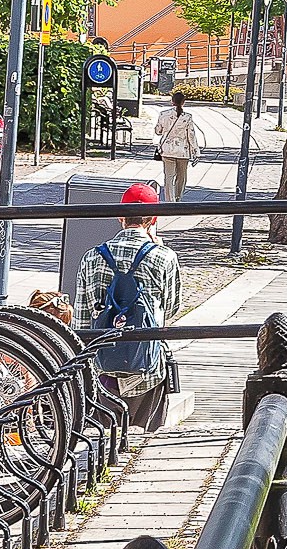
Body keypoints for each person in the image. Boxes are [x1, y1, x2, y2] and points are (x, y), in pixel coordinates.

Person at [81, 182, 184, 429]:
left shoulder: (93, 256)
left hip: (104, 366)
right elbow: (171, 308)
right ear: (154, 219)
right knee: (145, 438)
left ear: (120, 216)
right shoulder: (164, 257)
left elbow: (82, 319)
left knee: (102, 439)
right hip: (147, 366)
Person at [153, 89, 201, 202]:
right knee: (181, 178)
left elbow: (158, 131)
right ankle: (178, 199)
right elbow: (191, 135)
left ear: (172, 101)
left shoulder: (163, 114)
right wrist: (196, 151)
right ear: (183, 102)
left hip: (167, 150)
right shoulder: (187, 117)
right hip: (183, 151)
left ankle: (170, 200)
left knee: (168, 177)